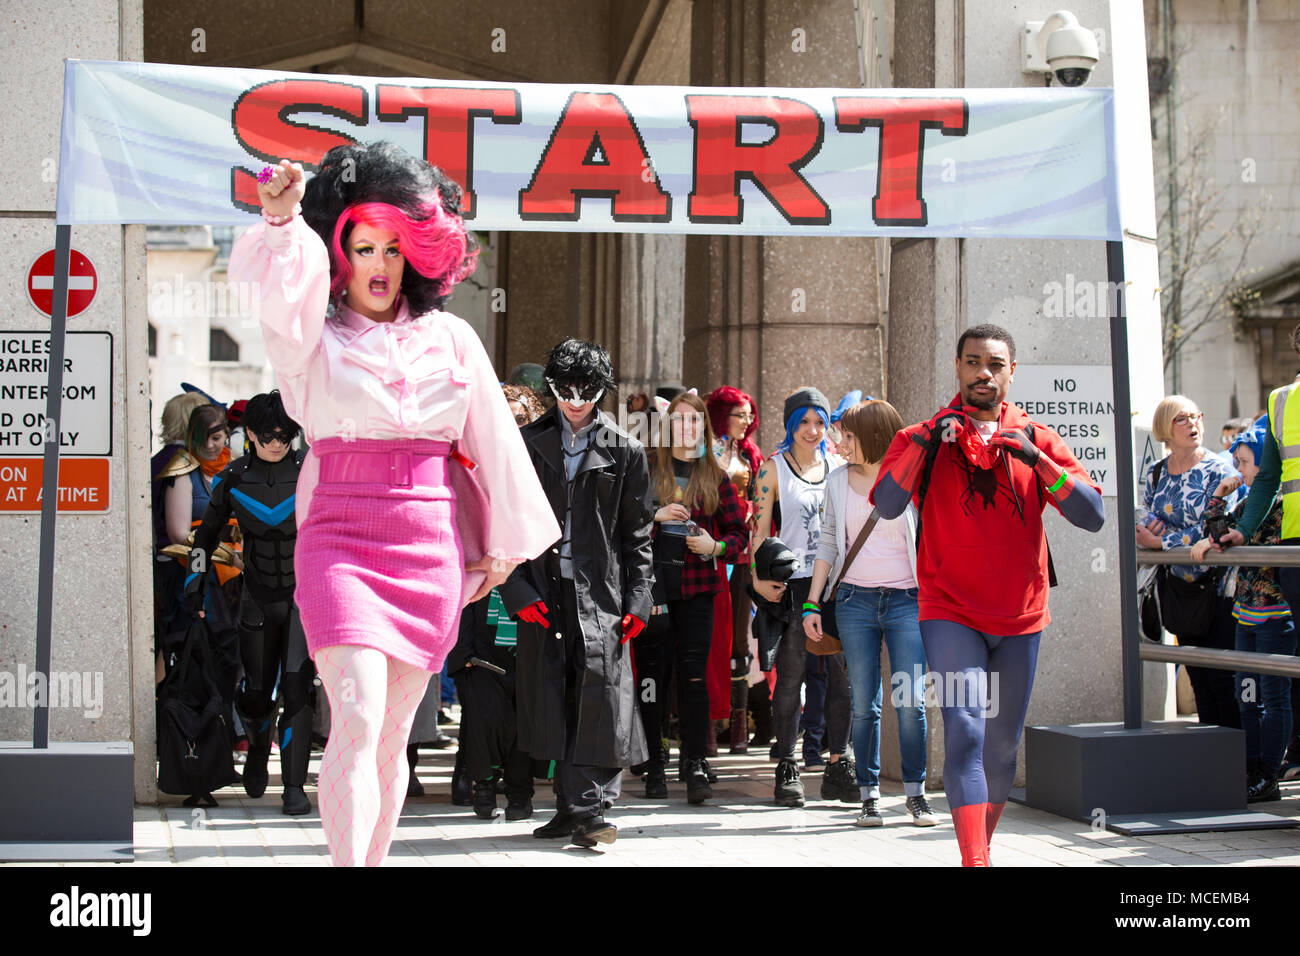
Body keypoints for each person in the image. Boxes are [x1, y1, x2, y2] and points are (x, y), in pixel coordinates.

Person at [228, 143, 558, 866]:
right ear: (339, 254)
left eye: (394, 247)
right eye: (362, 246)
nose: (379, 264)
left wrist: (502, 546)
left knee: (392, 732)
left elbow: (494, 441)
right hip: (338, 537)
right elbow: (281, 308)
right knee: (356, 712)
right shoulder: (311, 339)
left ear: (418, 253)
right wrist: (282, 226)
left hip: (428, 544)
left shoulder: (453, 338)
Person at [871, 324, 1104, 866]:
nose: (983, 372)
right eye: (973, 361)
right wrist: (928, 441)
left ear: (1011, 372)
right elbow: (885, 505)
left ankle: (982, 843)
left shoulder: (1035, 437)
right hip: (949, 610)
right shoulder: (919, 437)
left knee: (1001, 750)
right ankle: (975, 861)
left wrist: (1036, 460)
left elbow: (1093, 515)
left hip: (1020, 614)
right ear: (957, 367)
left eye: (994, 363)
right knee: (966, 734)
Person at [500, 339, 654, 847]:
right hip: (543, 587)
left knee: (603, 695)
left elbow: (636, 535)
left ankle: (590, 808)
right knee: (552, 694)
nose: (575, 399)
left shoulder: (626, 450)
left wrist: (639, 599)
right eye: (565, 389)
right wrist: (516, 588)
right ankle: (573, 808)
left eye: (586, 390)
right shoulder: (525, 444)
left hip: (601, 593)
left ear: (601, 390)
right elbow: (506, 522)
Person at [804, 400, 937, 827]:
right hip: (854, 602)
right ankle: (869, 794)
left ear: (875, 437)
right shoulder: (838, 481)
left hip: (907, 601)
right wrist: (811, 602)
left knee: (911, 702)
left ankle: (915, 795)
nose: (839, 442)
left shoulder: (910, 479)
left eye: (848, 435)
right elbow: (828, 541)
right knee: (864, 704)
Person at [183, 391, 315, 815]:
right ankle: (258, 745)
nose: (277, 442)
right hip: (256, 597)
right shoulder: (235, 477)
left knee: (298, 689)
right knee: (256, 693)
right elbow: (205, 536)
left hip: (303, 596)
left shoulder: (313, 472)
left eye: (285, 434)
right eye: (268, 434)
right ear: (251, 435)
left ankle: (294, 787)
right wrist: (194, 581)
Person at [444, 383, 549, 820]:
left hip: (530, 624)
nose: (513, 427)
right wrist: (460, 650)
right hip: (481, 623)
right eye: (504, 418)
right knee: (482, 716)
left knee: (523, 718)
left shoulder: (541, 473)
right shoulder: (473, 472)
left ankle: (521, 795)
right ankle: (479, 787)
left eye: (521, 418)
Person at [750, 387, 855, 807]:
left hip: (834, 584)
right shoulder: (771, 470)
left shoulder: (840, 466)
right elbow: (756, 534)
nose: (812, 431)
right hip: (792, 584)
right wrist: (757, 582)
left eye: (820, 423)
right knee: (791, 677)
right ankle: (787, 764)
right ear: (791, 425)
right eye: (804, 423)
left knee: (841, 677)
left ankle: (837, 763)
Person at [642, 392, 748, 803]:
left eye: (694, 421)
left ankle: (695, 764)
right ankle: (653, 762)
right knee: (654, 678)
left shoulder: (715, 475)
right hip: (653, 589)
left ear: (704, 427)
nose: (686, 428)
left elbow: (740, 535)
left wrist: (714, 547)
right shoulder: (649, 468)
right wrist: (656, 515)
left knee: (693, 678)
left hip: (699, 589)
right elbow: (620, 521)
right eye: (679, 420)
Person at [1191, 417, 1292, 803]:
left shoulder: (1279, 499)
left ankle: (1268, 772)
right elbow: (1219, 531)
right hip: (1245, 612)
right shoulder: (1249, 499)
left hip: (1274, 615)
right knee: (1245, 693)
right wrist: (1220, 493)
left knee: (1273, 694)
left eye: (1246, 462)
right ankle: (1249, 769)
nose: (1239, 469)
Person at [1138, 395, 1242, 729]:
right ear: (1165, 428)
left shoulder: (1219, 470)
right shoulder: (1156, 474)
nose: (1192, 424)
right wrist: (1155, 534)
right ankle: (1209, 753)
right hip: (1179, 588)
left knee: (1223, 677)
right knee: (1198, 677)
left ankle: (1236, 759)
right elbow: (1145, 514)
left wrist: (1163, 541)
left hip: (1218, 587)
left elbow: (1221, 522)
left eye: (1195, 416)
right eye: (1181, 419)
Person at [706, 386, 765, 754]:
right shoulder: (704, 455)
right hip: (709, 554)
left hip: (743, 556)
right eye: (738, 414)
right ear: (720, 416)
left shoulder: (751, 455)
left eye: (748, 415)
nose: (746, 422)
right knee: (710, 638)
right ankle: (710, 725)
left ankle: (740, 724)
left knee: (741, 641)